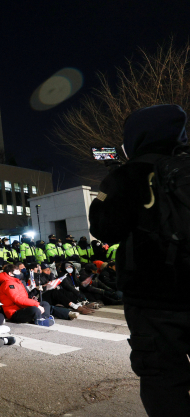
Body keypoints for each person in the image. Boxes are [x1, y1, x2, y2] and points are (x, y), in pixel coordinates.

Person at [88, 104, 190, 416]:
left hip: (153, 296)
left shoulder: (128, 174)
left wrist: (108, 188)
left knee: (162, 377)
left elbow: (104, 228)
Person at [0, 264, 75, 324]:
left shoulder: (17, 282)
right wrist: (35, 304)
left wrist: (32, 300)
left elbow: (23, 297)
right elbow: (17, 299)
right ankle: (40, 319)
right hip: (14, 313)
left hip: (22, 307)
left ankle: (43, 318)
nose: (19, 273)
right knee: (35, 309)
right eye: (17, 271)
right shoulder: (8, 284)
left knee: (45, 304)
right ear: (10, 273)